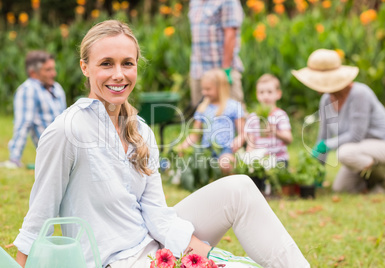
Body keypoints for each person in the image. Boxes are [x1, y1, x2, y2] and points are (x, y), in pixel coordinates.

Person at [14, 20, 309, 268]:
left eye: (127, 63)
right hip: (115, 261)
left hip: (151, 241)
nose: (118, 74)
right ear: (85, 67)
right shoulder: (67, 130)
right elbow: (39, 218)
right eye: (106, 64)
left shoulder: (140, 130)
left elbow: (155, 211)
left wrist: (197, 248)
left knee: (240, 187)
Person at [292, 48, 385, 193]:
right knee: (341, 188)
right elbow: (323, 137)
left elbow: (356, 136)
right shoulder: (326, 99)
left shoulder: (359, 94)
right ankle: (373, 184)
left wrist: (326, 145)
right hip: (360, 150)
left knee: (344, 153)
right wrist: (317, 167)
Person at [0, 50, 66, 169]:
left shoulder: (57, 88)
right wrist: (14, 158)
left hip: (68, 145)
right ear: (33, 73)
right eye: (48, 70)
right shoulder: (28, 90)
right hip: (52, 150)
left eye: (53, 69)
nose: (54, 73)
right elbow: (23, 124)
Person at [177, 68, 245, 175]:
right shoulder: (203, 108)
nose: (204, 92)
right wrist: (183, 146)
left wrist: (239, 139)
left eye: (208, 89)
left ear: (220, 88)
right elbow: (195, 134)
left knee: (225, 163)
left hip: (226, 149)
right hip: (206, 150)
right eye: (203, 89)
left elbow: (243, 132)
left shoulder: (233, 106)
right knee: (192, 164)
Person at [188, 0, 244, 108]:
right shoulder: (194, 2)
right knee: (201, 114)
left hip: (220, 70)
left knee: (231, 112)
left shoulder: (228, 1)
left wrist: (225, 70)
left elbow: (230, 34)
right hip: (198, 69)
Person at [244, 74, 293, 165]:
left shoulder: (280, 115)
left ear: (278, 94)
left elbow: (289, 139)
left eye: (270, 92)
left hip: (279, 159)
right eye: (261, 92)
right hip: (260, 161)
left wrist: (275, 132)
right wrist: (249, 159)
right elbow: (251, 144)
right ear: (257, 95)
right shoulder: (252, 117)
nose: (265, 96)